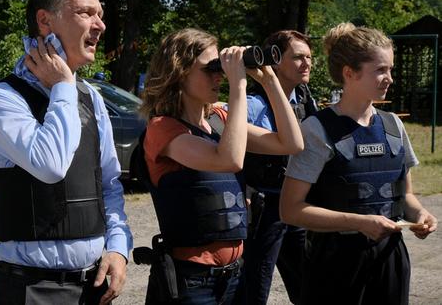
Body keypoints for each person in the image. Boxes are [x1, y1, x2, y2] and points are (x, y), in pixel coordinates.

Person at [0, 0, 132, 305]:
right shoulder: (1, 99)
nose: (100, 25)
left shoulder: (91, 97)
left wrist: (119, 249)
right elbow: (50, 165)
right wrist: (63, 85)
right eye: (86, 13)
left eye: (101, 15)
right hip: (33, 289)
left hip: (94, 285)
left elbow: (109, 184)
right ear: (44, 21)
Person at [139, 28, 303, 304]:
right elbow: (228, 160)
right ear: (179, 72)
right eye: (210, 69)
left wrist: (270, 82)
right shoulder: (163, 129)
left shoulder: (217, 119)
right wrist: (237, 84)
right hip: (192, 281)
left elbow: (291, 143)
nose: (219, 76)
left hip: (234, 275)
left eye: (220, 68)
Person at [279, 22, 438, 304]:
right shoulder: (317, 129)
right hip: (335, 263)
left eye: (390, 69)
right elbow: (290, 210)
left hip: (389, 259)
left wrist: (420, 215)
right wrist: (359, 222)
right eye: (380, 70)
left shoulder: (393, 126)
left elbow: (407, 195)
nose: (389, 77)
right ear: (349, 73)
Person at [240, 30, 318, 304]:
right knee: (254, 289)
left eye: (309, 57)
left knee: (309, 286)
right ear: (274, 60)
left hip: (297, 205)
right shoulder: (251, 105)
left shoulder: (306, 100)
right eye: (297, 57)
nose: (306, 63)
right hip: (265, 210)